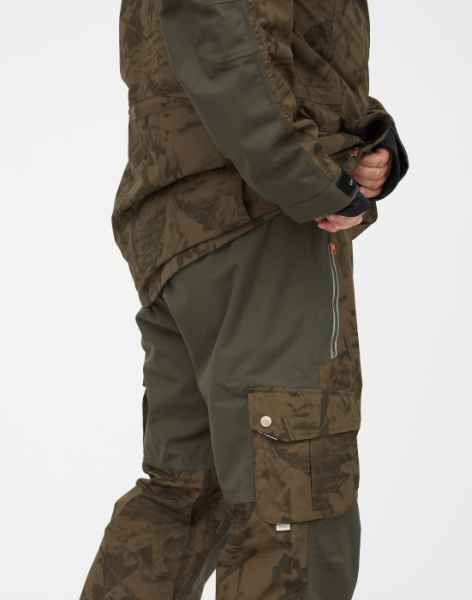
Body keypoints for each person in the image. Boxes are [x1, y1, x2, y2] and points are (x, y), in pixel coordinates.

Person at [79, 1, 409, 598]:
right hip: (259, 218)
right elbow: (226, 32)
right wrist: (313, 174)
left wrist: (366, 139)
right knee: (295, 497)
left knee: (186, 492)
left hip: (184, 224)